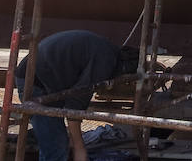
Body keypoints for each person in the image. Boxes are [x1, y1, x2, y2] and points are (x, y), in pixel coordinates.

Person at [15, 30, 140, 161]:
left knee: (56, 141)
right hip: (35, 82)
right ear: (125, 70)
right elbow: (75, 108)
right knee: (55, 147)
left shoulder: (107, 50)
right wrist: (79, 148)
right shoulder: (105, 61)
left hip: (45, 78)